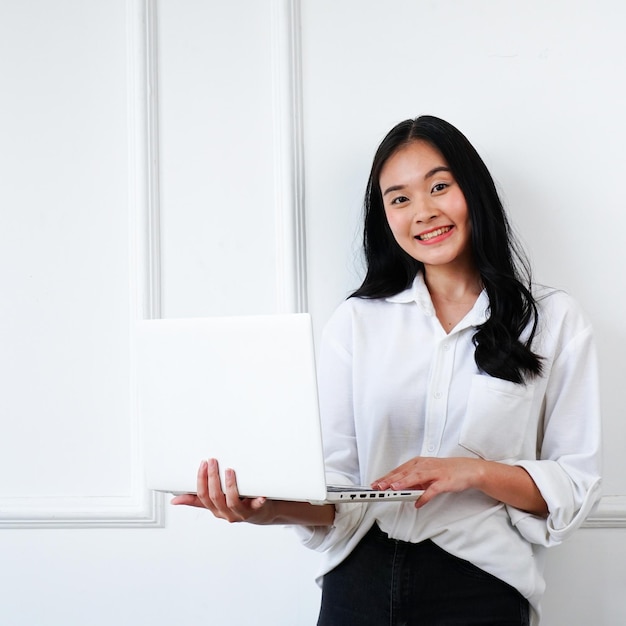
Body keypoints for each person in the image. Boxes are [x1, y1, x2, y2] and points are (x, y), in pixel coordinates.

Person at [172, 115, 602, 625]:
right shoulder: (357, 322)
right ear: (385, 218)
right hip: (359, 582)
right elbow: (336, 488)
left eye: (439, 186)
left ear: (474, 192)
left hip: (481, 585)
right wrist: (268, 509)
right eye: (399, 199)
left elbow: (573, 487)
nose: (423, 212)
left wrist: (473, 471)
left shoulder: (553, 321)